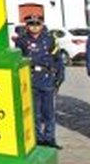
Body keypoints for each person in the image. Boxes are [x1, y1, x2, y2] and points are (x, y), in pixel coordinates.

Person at [14, 14, 64, 148]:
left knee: (49, 112)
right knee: (34, 112)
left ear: (42, 25)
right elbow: (18, 60)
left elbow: (58, 59)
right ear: (27, 26)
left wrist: (60, 76)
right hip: (30, 78)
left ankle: (50, 138)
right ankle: (37, 138)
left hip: (47, 78)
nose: (34, 27)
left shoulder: (49, 39)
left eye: (37, 24)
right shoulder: (21, 41)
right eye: (31, 24)